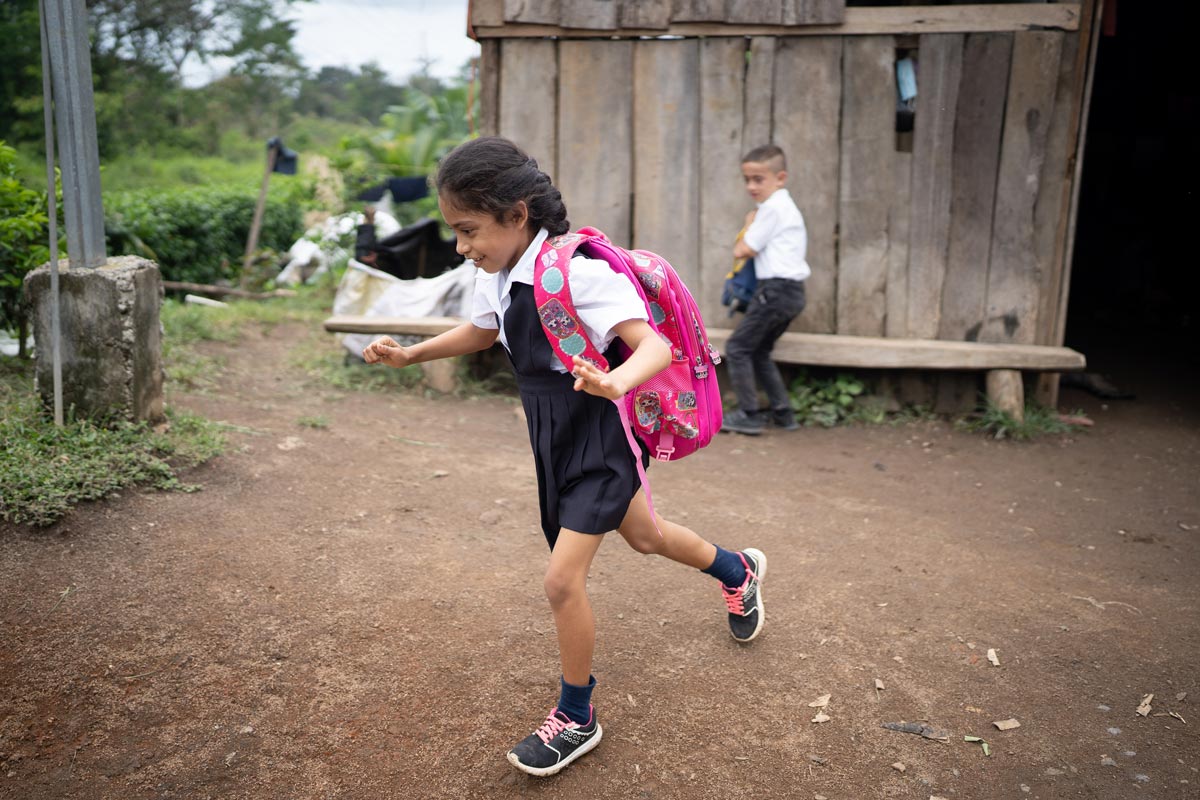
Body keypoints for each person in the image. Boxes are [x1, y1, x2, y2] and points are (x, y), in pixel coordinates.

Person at [361, 136, 767, 778]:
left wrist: (614, 381)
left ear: (516, 214)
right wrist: (412, 354)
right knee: (647, 536)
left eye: (469, 230)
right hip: (554, 433)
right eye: (455, 232)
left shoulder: (578, 271)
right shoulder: (495, 274)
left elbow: (653, 348)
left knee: (560, 579)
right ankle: (737, 570)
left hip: (601, 433)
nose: (461, 246)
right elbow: (484, 330)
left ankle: (577, 716)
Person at [720, 144, 810, 436]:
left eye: (758, 179)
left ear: (780, 178)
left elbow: (743, 249)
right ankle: (783, 413)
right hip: (791, 293)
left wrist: (748, 224)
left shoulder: (771, 209)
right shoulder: (784, 206)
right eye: (747, 179)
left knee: (737, 348)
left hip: (775, 290)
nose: (751, 186)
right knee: (758, 352)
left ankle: (748, 414)